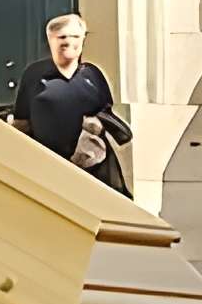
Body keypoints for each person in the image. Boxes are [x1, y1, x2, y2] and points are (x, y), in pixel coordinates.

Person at [11, 13, 129, 196]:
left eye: (75, 36)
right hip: (48, 173)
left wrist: (95, 128)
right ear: (50, 40)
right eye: (62, 37)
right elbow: (21, 125)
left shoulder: (93, 75)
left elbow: (106, 115)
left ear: (83, 40)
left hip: (92, 172)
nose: (68, 42)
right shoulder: (34, 74)